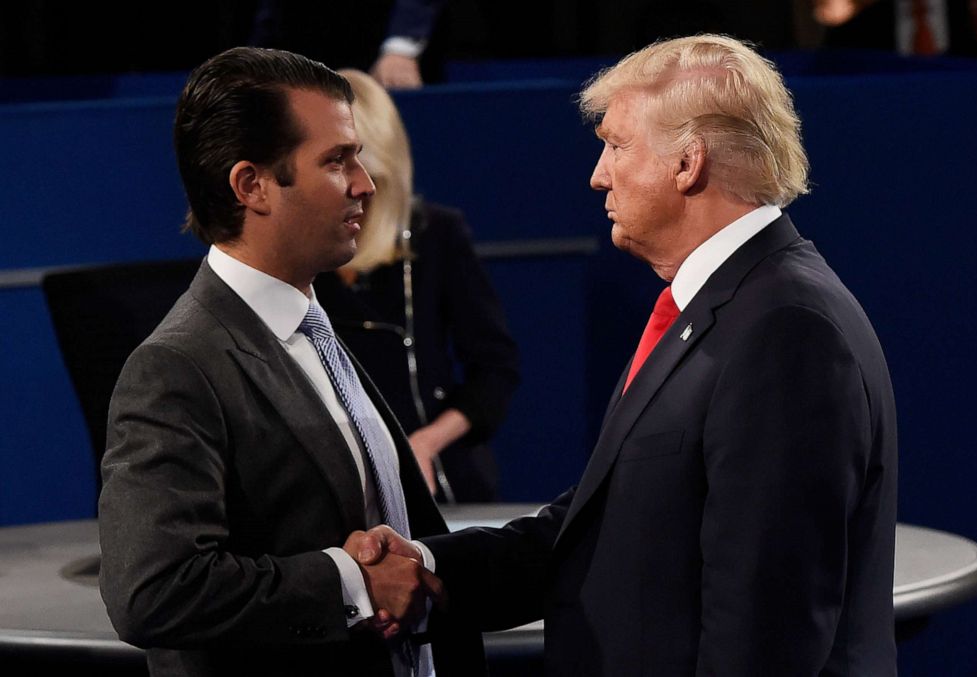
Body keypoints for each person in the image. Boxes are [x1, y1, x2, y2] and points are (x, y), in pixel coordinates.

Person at [357, 34, 899, 676]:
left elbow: (763, 634)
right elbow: (602, 524)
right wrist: (434, 567)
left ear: (687, 163)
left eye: (616, 145)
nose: (597, 174)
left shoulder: (786, 330)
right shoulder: (720, 307)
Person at [97, 46, 484, 677]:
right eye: (337, 160)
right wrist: (351, 581)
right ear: (252, 186)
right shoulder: (176, 367)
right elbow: (155, 592)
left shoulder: (313, 329)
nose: (366, 182)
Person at [313, 68, 518, 503]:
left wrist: (424, 444)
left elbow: (495, 369)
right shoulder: (303, 252)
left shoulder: (436, 234)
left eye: (366, 177)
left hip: (438, 480)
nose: (358, 191)